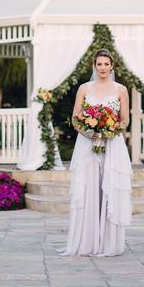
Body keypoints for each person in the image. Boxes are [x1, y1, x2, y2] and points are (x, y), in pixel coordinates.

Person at [60, 49, 133, 256]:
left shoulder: (121, 90)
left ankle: (109, 243)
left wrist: (110, 131)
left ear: (112, 66)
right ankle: (87, 241)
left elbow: (125, 120)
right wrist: (90, 132)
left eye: (106, 64)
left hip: (113, 144)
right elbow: (75, 118)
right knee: (90, 188)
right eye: (99, 64)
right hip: (87, 143)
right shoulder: (85, 88)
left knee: (109, 187)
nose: (102, 68)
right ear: (95, 66)